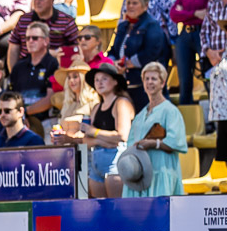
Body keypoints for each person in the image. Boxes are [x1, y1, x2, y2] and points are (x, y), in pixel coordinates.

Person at [122, 63, 187, 198]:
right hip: (140, 173)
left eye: (154, 79)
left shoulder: (170, 111)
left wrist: (153, 143)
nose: (149, 82)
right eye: (147, 79)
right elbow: (130, 144)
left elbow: (176, 141)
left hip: (162, 169)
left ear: (162, 83)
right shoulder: (140, 115)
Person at [108, 0, 171, 111]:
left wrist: (127, 64)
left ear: (145, 5)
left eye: (134, 3)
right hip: (125, 84)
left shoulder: (152, 25)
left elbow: (151, 53)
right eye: (128, 3)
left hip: (144, 86)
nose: (130, 6)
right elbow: (113, 50)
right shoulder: (123, 26)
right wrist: (113, 62)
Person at [169, 0, 216, 104]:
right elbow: (174, 14)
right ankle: (186, 120)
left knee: (208, 76)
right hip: (186, 35)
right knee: (184, 80)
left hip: (204, 34)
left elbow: (209, 14)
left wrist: (186, 12)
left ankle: (215, 118)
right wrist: (195, 13)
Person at [80, 64, 135, 198]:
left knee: (116, 207)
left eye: (104, 79)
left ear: (115, 82)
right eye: (97, 80)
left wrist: (95, 132)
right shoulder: (96, 108)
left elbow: (122, 135)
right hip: (96, 161)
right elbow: (85, 140)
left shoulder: (121, 103)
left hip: (115, 160)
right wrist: (101, 140)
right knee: (100, 208)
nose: (99, 83)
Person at [7, 0, 79, 69]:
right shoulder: (24, 20)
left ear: (52, 0)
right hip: (26, 68)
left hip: (55, 70)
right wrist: (14, 74)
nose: (37, 2)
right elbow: (13, 48)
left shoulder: (66, 22)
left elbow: (76, 49)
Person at [201, 0, 227, 161]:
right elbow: (204, 32)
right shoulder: (214, 2)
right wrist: (208, 51)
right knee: (223, 125)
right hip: (216, 66)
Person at [7, 23, 58, 121]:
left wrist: (25, 112)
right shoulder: (18, 66)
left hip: (45, 122)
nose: (30, 41)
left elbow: (51, 99)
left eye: (35, 38)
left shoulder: (53, 64)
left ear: (46, 41)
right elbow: (9, 96)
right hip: (19, 121)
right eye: (27, 38)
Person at [50, 59, 98, 128]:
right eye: (69, 78)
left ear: (84, 79)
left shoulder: (93, 102)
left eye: (75, 77)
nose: (71, 80)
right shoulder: (67, 103)